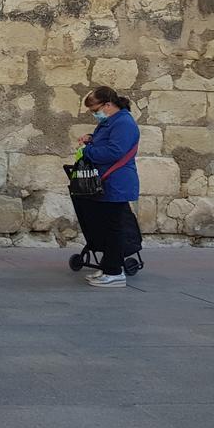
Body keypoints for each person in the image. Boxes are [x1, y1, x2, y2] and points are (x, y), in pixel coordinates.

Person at [77, 86, 141, 288]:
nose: (94, 114)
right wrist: (91, 138)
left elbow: (115, 151)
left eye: (94, 109)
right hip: (109, 182)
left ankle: (115, 272)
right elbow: (107, 143)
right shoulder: (111, 122)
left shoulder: (123, 122)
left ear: (108, 104)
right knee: (106, 226)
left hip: (117, 182)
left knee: (115, 228)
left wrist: (88, 150)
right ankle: (108, 267)